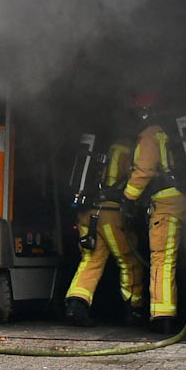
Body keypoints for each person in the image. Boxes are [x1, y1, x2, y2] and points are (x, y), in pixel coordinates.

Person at [117, 92, 186, 333]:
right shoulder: (181, 131)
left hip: (167, 204)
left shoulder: (150, 135)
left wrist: (127, 198)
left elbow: (144, 170)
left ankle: (163, 316)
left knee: (163, 258)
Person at [63, 134, 147, 325]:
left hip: (87, 213)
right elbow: (137, 178)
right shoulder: (125, 147)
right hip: (110, 214)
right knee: (129, 260)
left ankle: (76, 305)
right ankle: (133, 310)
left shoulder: (96, 148)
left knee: (90, 259)